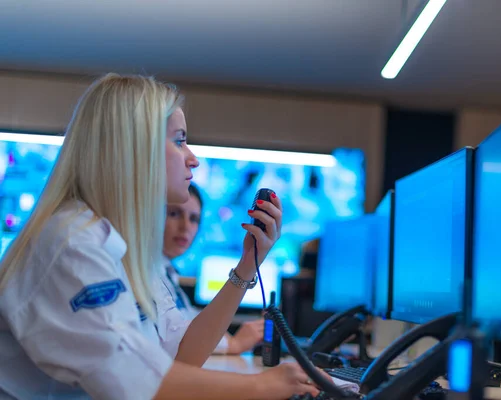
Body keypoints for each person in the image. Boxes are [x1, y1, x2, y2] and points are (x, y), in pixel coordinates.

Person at [0, 74, 326, 399]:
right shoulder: (73, 242)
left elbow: (183, 353)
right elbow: (133, 384)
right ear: (135, 147)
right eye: (179, 140)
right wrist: (263, 385)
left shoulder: (124, 248)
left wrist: (246, 265)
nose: (192, 158)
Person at [162, 183, 264, 355]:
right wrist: (234, 345)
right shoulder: (146, 273)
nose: (185, 226)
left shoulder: (167, 273)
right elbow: (176, 338)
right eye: (174, 214)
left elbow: (191, 320)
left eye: (194, 219)